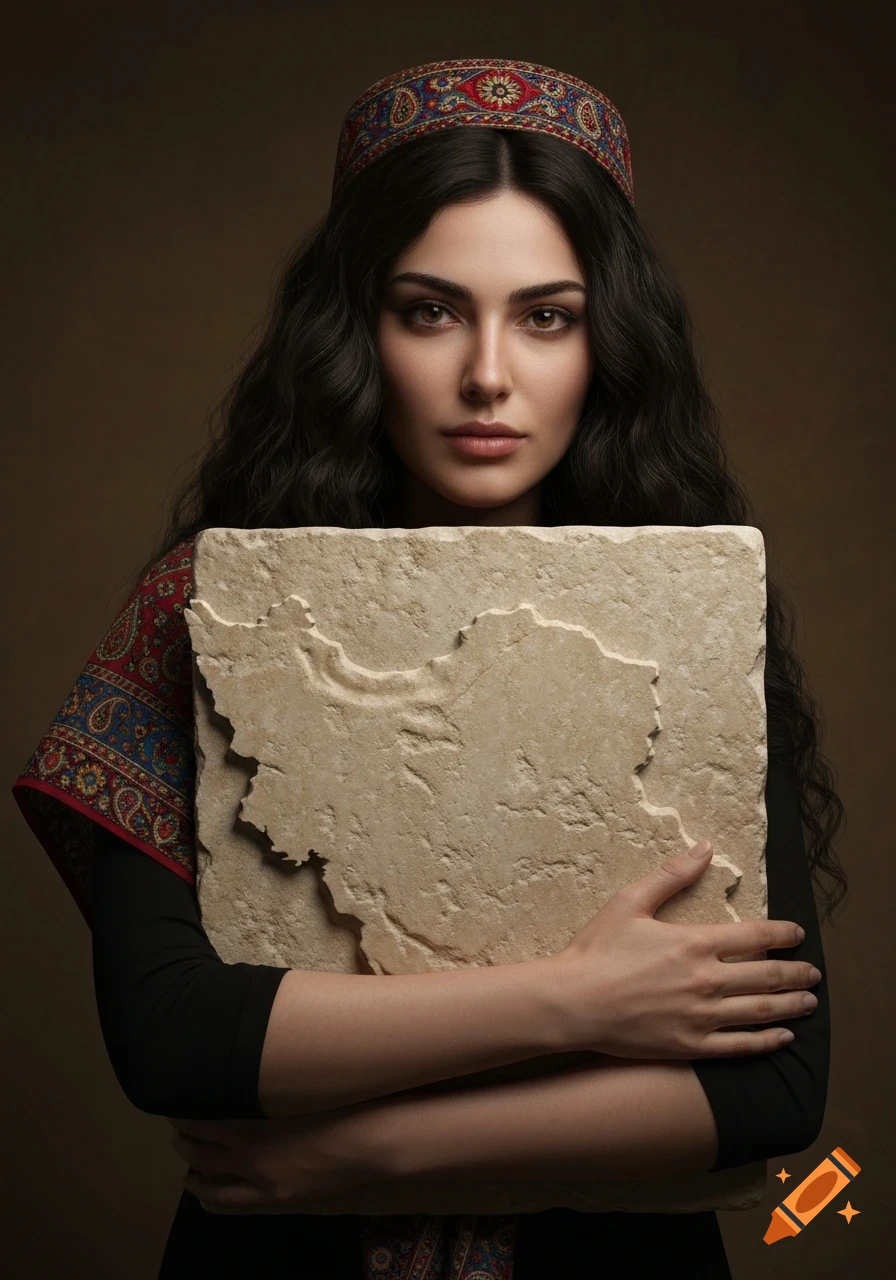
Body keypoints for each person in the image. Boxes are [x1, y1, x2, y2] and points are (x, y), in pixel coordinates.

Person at [11, 57, 846, 1279]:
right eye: (431, 309)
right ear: (356, 329)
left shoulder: (695, 612)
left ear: (605, 343)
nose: (488, 375)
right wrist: (583, 1000)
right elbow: (175, 1034)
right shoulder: (206, 608)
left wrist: (362, 1153)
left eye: (545, 316)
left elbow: (774, 1090)